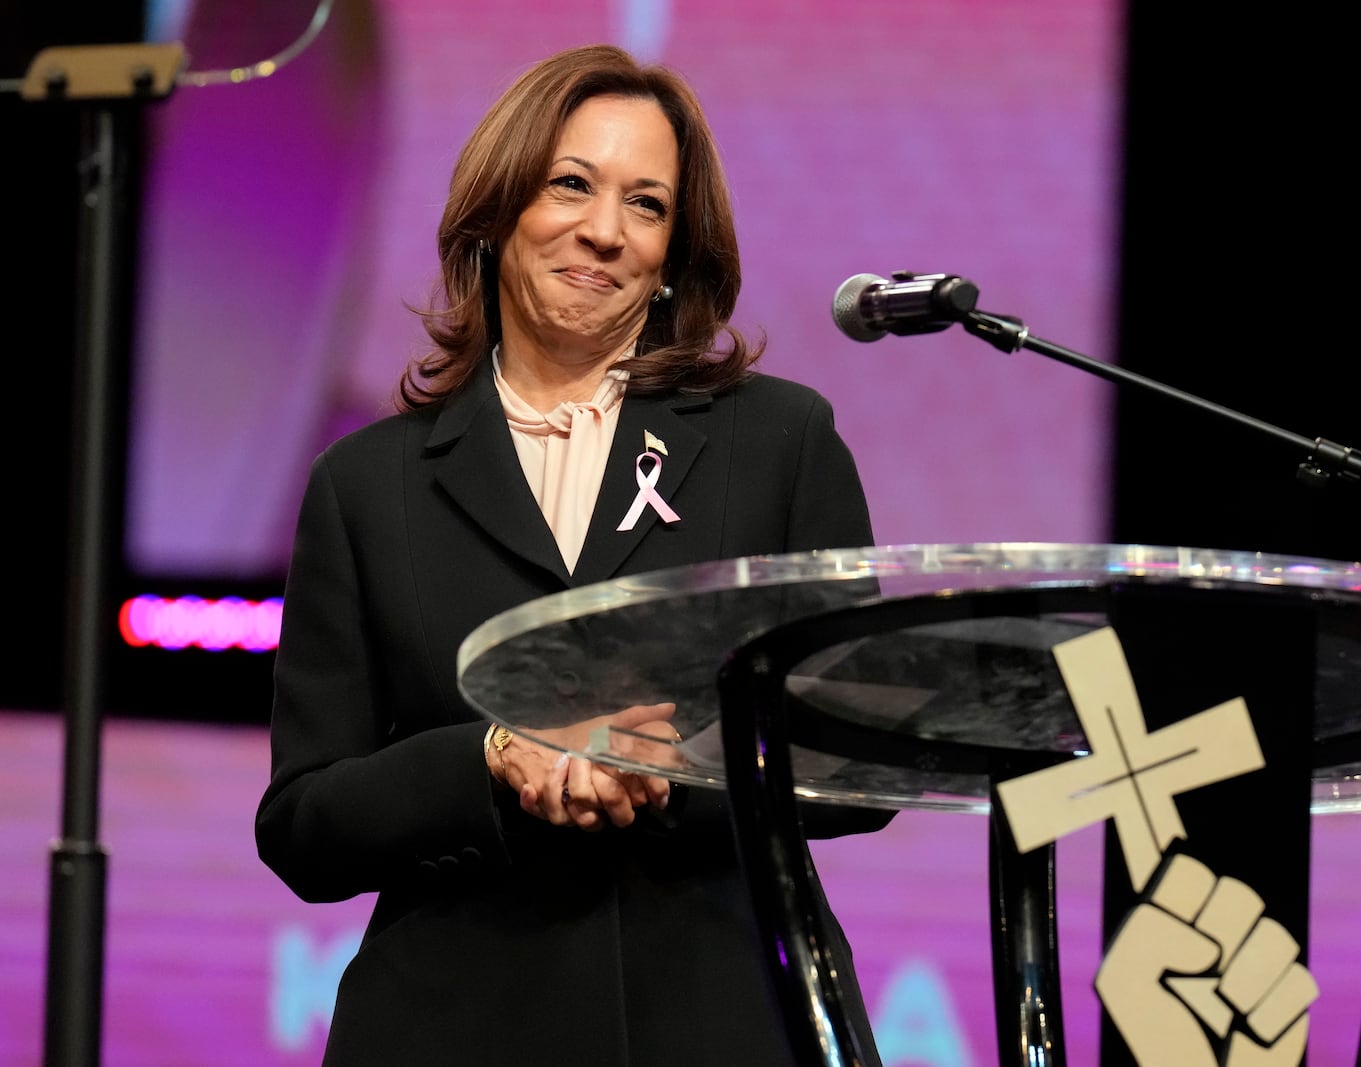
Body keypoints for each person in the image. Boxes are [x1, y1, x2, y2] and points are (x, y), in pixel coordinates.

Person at [254, 43, 891, 1066]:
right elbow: (303, 821)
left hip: (723, 1018)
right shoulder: (365, 483)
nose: (603, 230)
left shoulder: (778, 443)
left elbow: (860, 749)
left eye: (646, 204)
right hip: (453, 1025)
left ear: (676, 251)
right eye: (570, 185)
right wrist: (492, 759)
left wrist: (663, 765)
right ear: (499, 211)